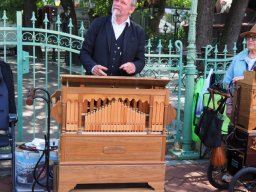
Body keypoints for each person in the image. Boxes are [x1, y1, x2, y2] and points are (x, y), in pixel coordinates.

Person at [79, 0, 145, 76]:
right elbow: (84, 53)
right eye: (116, 0)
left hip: (123, 85)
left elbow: (140, 61)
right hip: (96, 83)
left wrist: (134, 66)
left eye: (123, 2)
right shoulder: (97, 24)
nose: (117, 4)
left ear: (131, 9)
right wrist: (93, 67)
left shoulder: (138, 31)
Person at [223, 24, 256, 118]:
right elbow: (227, 81)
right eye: (248, 37)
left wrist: (245, 79)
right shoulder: (238, 58)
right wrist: (229, 104)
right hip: (238, 107)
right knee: (237, 132)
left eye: (254, 38)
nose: (250, 40)